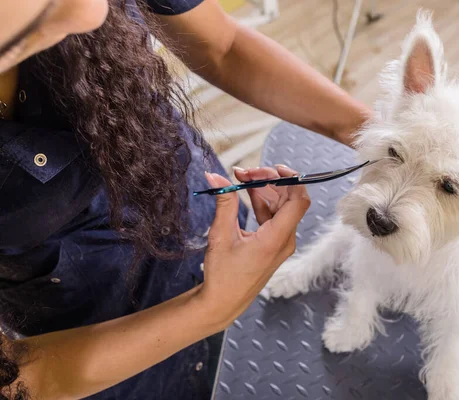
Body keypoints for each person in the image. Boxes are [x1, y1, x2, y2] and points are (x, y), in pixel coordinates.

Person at [0, 0, 371, 398]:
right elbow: (22, 380)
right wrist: (210, 309)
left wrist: (375, 133)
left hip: (212, 229)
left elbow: (222, 45)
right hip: (104, 358)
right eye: (16, 40)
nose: (94, 14)